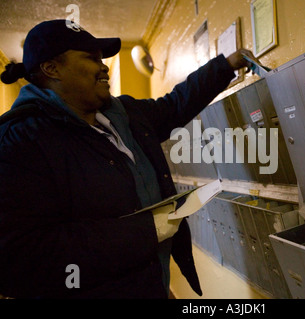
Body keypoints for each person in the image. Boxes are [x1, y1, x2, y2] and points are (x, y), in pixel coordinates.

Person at [0, 19, 256, 299]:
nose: (103, 66)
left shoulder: (123, 115)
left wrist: (226, 66)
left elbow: (176, 103)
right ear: (52, 68)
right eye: (90, 57)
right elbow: (21, 258)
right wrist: (148, 231)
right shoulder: (20, 141)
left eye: (102, 58)